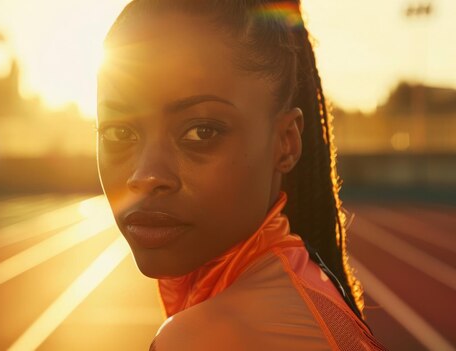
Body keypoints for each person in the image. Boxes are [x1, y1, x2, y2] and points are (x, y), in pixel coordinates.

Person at [96, 0, 386, 349]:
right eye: (118, 133)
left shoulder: (201, 339)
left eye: (201, 132)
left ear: (286, 143)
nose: (146, 175)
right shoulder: (311, 286)